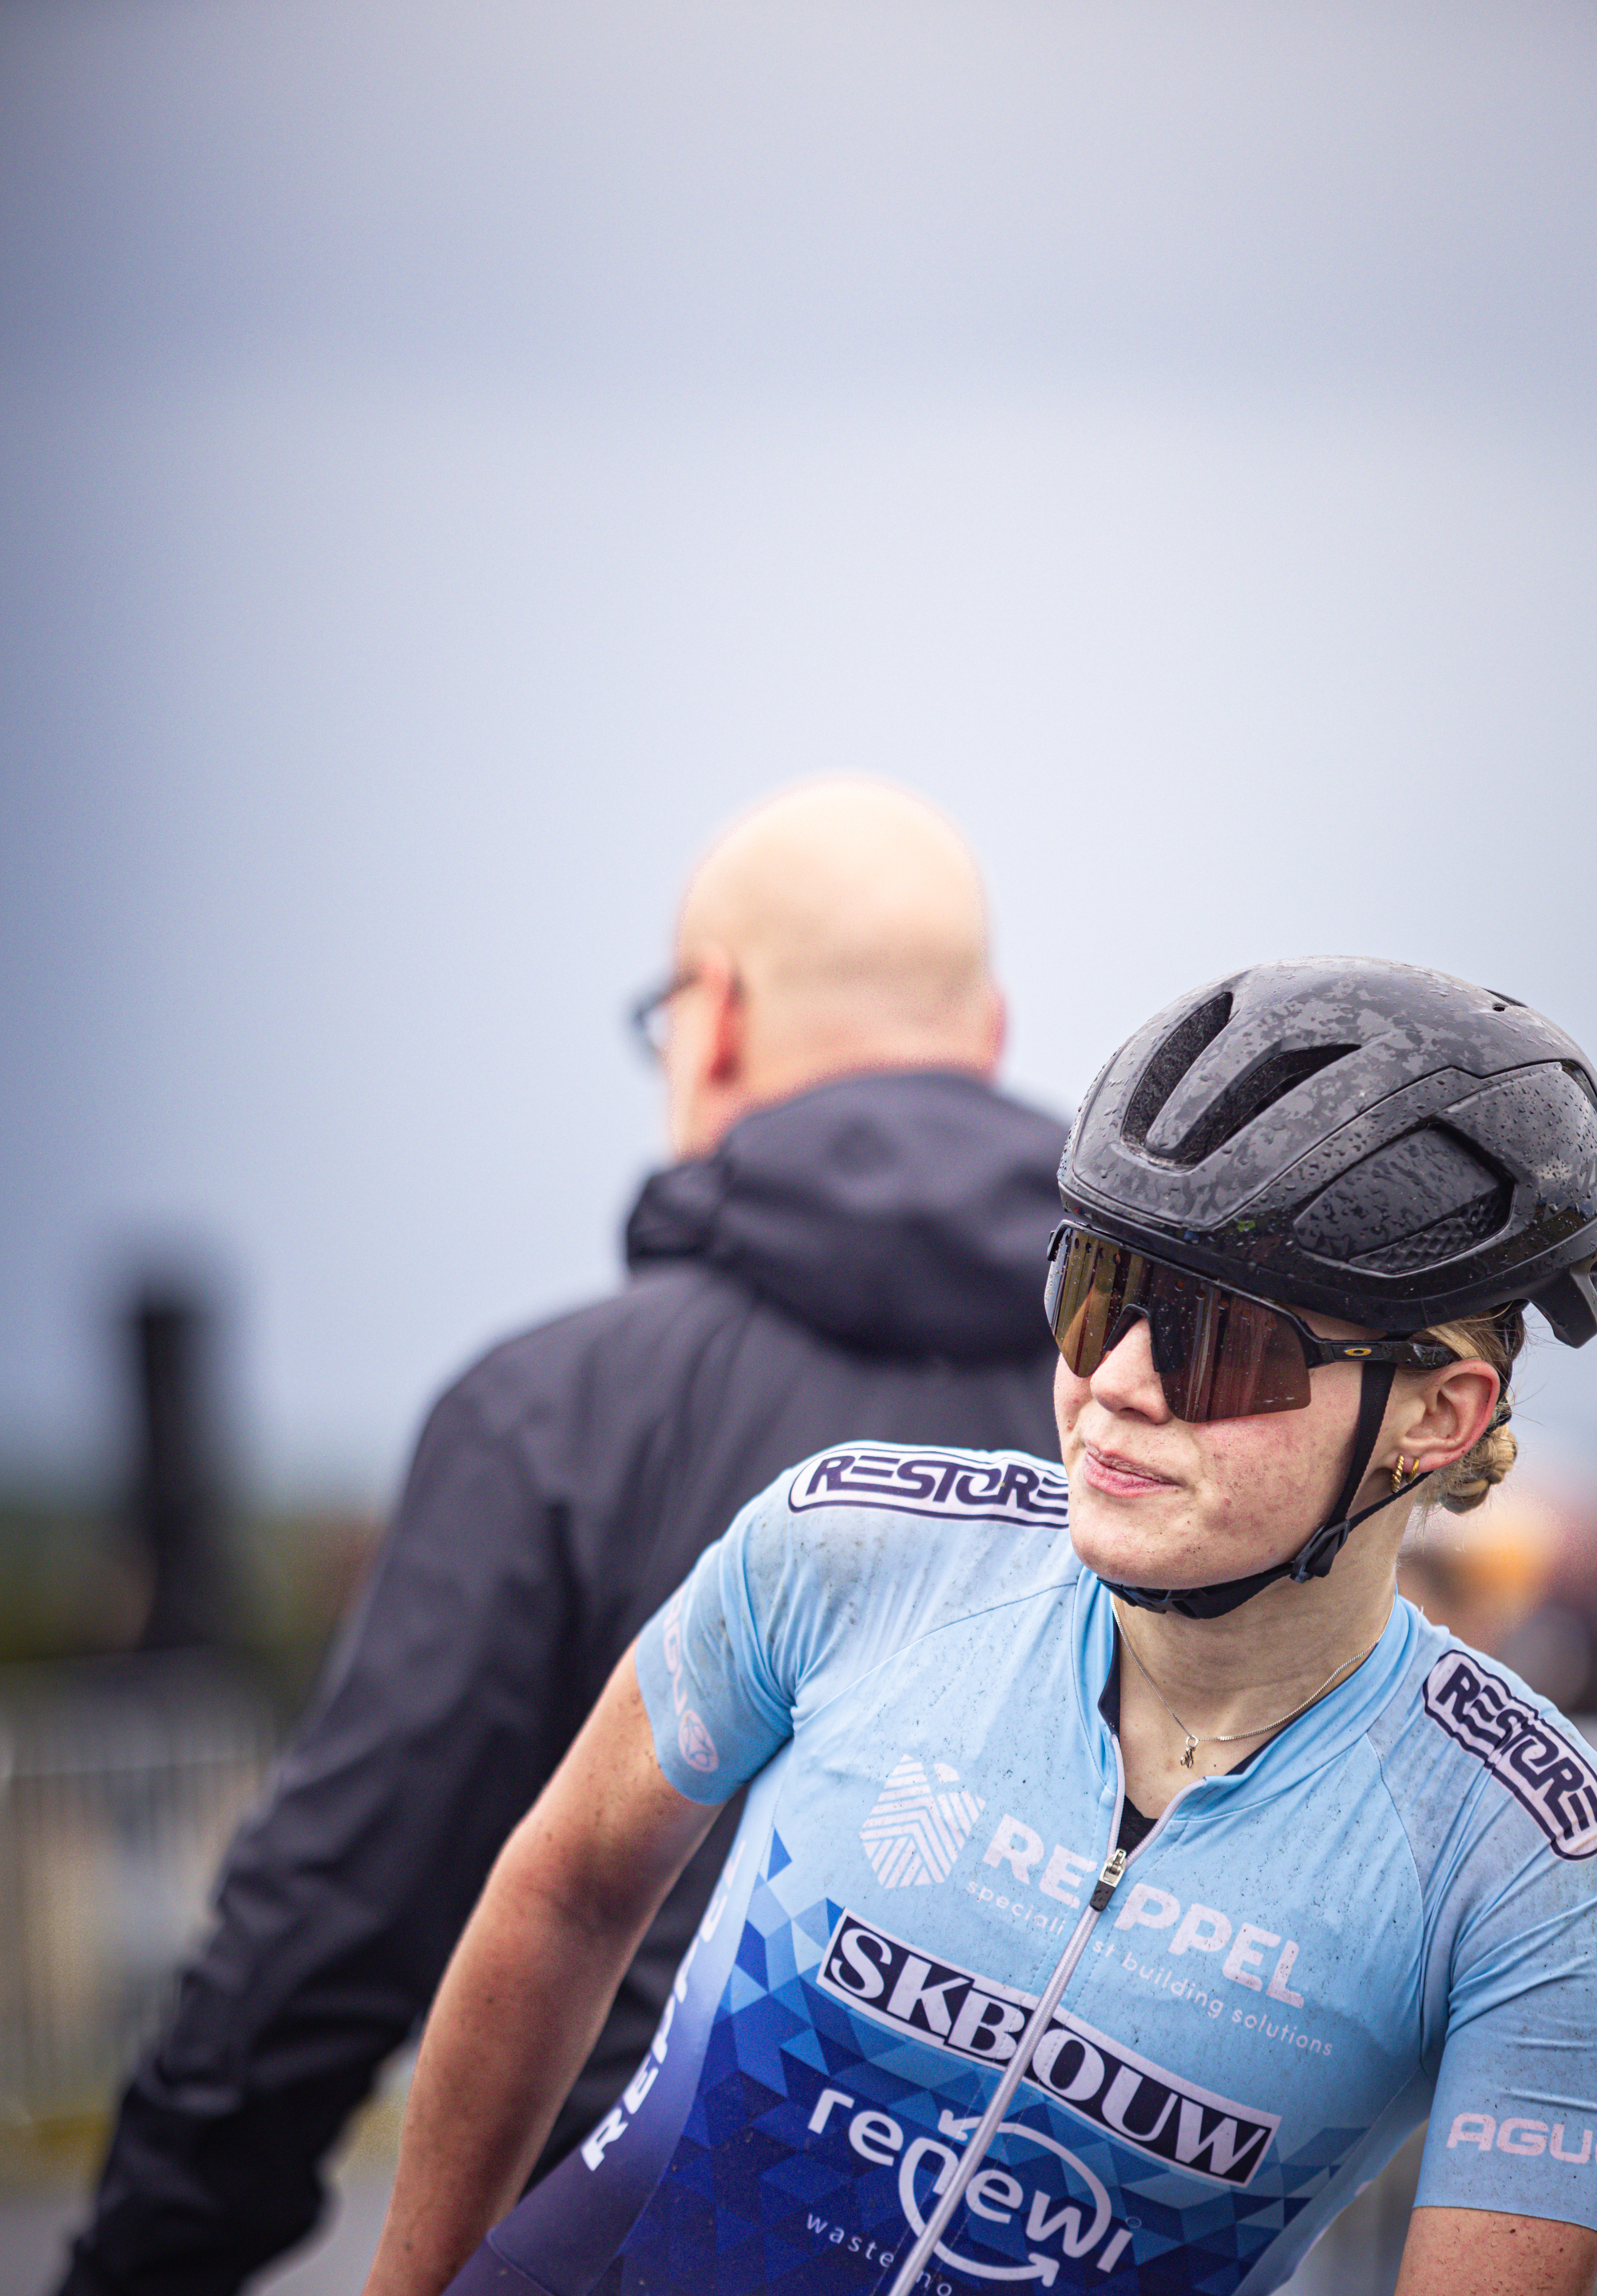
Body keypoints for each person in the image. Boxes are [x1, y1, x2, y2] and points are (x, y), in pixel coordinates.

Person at [362, 956, 1597, 2296]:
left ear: (1437, 1417)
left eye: (1220, 1343)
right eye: (1101, 1291)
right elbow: (569, 1887)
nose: (1116, 1384)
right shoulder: (846, 1545)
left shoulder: (1531, 1865)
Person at [58, 779, 1070, 2296]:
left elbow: (324, 1936)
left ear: (712, 1016)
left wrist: (139, 2264)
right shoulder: (1171, 1426)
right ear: (985, 1036)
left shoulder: (553, 1410)